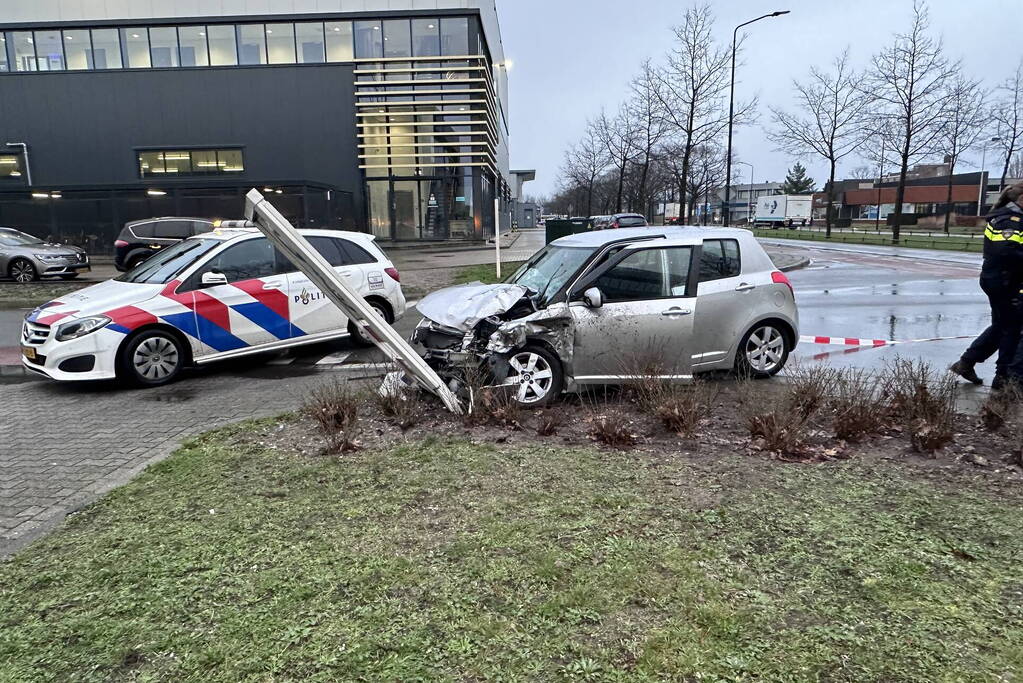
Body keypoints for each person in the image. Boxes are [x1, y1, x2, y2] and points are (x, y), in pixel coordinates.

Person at [951, 183, 1023, 389]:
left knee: (1002, 326)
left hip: (1000, 279)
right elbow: (1007, 251)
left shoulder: (1008, 217)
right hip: (1004, 281)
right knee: (1011, 328)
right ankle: (1003, 378)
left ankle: (967, 363)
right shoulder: (1010, 220)